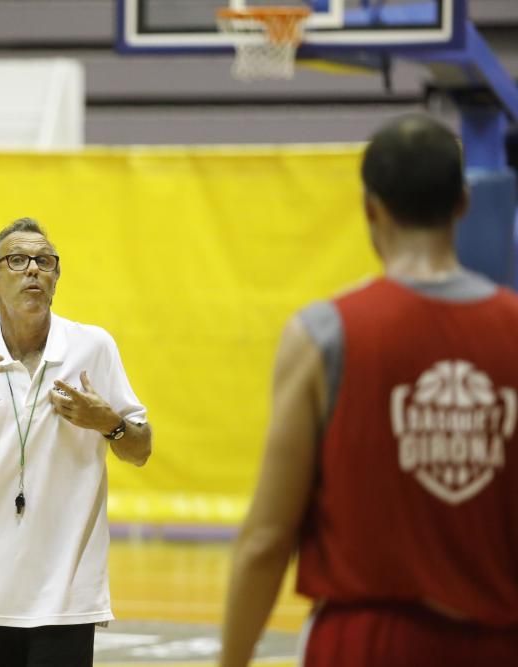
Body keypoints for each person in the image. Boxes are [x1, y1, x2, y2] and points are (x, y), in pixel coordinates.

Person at [219, 114, 518, 667]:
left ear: (369, 208)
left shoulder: (321, 334)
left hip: (363, 642)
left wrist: (232, 660)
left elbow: (266, 539)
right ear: (463, 204)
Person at [0, 217, 152, 666]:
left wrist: (110, 422)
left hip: (66, 597)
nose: (33, 270)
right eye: (17, 260)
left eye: (45, 261)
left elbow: (140, 449)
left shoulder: (92, 348)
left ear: (56, 278)